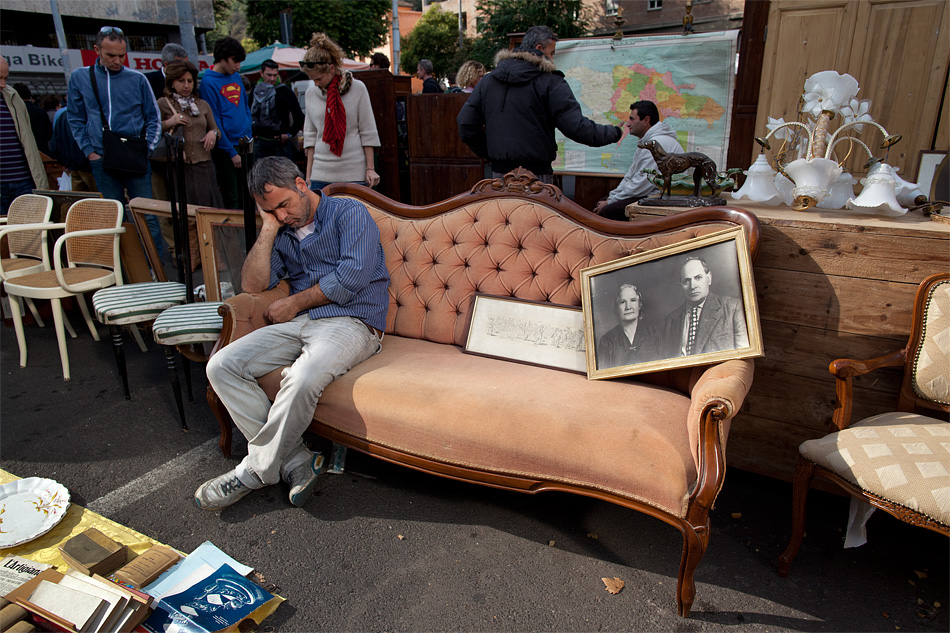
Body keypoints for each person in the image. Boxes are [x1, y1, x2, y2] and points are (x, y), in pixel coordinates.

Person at [195, 156, 389, 511]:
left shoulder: (348, 213)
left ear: (301, 184)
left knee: (302, 378)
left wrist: (295, 302)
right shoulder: (282, 231)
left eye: (284, 204)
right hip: (302, 322)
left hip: (352, 321)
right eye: (272, 211)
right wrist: (268, 228)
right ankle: (296, 459)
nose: (283, 215)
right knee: (221, 365)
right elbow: (253, 285)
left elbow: (353, 276)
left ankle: (253, 472)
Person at [457, 25, 625, 184]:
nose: (552, 59)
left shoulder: (488, 81)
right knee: (535, 207)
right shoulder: (550, 81)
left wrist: (491, 152)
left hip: (500, 175)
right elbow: (576, 127)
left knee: (503, 207)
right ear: (539, 48)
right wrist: (614, 132)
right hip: (536, 177)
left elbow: (466, 123)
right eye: (551, 53)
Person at [66, 26, 164, 258]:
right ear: (97, 50)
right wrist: (90, 151)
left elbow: (153, 117)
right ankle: (123, 268)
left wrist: (147, 148)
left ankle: (155, 269)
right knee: (112, 216)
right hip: (102, 156)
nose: (118, 61)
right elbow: (75, 117)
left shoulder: (137, 79)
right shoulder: (81, 77)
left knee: (147, 214)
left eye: (122, 55)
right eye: (111, 55)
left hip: (134, 154)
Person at [158, 61, 222, 270]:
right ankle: (193, 255)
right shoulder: (163, 104)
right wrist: (170, 122)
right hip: (180, 165)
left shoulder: (202, 104)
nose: (186, 85)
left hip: (204, 164)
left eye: (190, 81)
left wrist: (213, 134)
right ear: (172, 82)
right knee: (186, 214)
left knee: (208, 211)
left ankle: (213, 255)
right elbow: (151, 129)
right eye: (181, 81)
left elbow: (216, 129)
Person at [300, 32, 380, 191]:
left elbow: (367, 130)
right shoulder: (311, 94)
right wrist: (309, 176)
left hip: (353, 172)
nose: (316, 84)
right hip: (320, 173)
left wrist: (370, 168)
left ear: (331, 68)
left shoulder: (358, 88)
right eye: (312, 79)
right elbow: (310, 136)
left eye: (319, 79)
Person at [593, 100, 682, 221]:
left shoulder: (656, 143)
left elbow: (641, 184)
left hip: (661, 198)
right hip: (651, 194)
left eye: (632, 119)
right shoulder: (647, 143)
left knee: (608, 211)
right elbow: (630, 176)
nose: (627, 124)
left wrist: (610, 202)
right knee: (603, 202)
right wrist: (611, 197)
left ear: (646, 120)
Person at [199, 36, 252, 210]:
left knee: (249, 191)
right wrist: (231, 152)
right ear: (223, 58)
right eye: (235, 61)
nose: (238, 66)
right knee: (232, 195)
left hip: (245, 143)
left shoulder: (235, 76)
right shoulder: (208, 82)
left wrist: (249, 136)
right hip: (227, 148)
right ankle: (235, 228)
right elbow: (214, 120)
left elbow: (245, 107)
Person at [662, 256, 748, 357]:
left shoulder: (733, 307)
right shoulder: (671, 320)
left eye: (698, 278)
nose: (693, 286)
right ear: (680, 286)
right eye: (686, 281)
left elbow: (744, 355)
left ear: (709, 278)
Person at [0, 56, 48, 214]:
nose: (3, 84)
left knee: (31, 227)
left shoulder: (12, 96)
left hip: (24, 181)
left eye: (6, 78)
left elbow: (28, 138)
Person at [596, 283, 659, 370]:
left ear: (639, 305)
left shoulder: (654, 331)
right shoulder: (607, 340)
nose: (628, 307)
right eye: (622, 302)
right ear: (617, 308)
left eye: (633, 300)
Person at [251, 59, 304, 161]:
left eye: (275, 75)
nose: (272, 78)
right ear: (261, 73)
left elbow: (299, 116)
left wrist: (289, 134)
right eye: (269, 75)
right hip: (260, 142)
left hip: (280, 143)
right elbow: (248, 114)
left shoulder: (285, 91)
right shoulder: (255, 91)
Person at [49, 103, 96, 192]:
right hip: (89, 164)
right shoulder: (90, 114)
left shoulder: (63, 116)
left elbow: (55, 143)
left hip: (73, 166)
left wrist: (64, 162)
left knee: (79, 197)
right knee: (98, 197)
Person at [13, 83, 52, 155]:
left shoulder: (16, 112)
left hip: (23, 151)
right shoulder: (41, 111)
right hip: (42, 149)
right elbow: (49, 132)